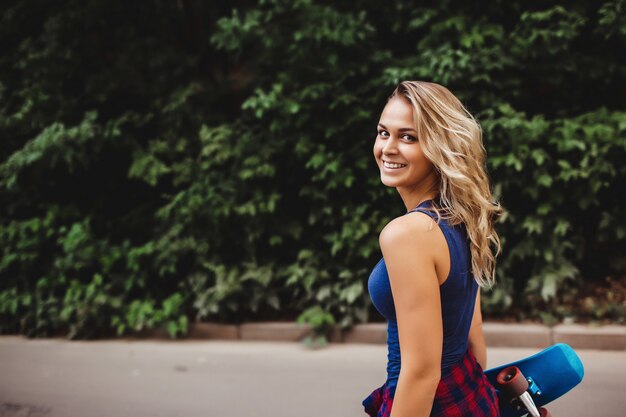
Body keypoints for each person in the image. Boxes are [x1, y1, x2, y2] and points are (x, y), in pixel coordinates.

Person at [362, 81, 503, 417]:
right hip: (469, 393)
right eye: (384, 133)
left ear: (440, 147)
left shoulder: (407, 234)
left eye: (408, 137)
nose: (388, 147)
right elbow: (474, 337)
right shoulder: (461, 217)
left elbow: (422, 374)